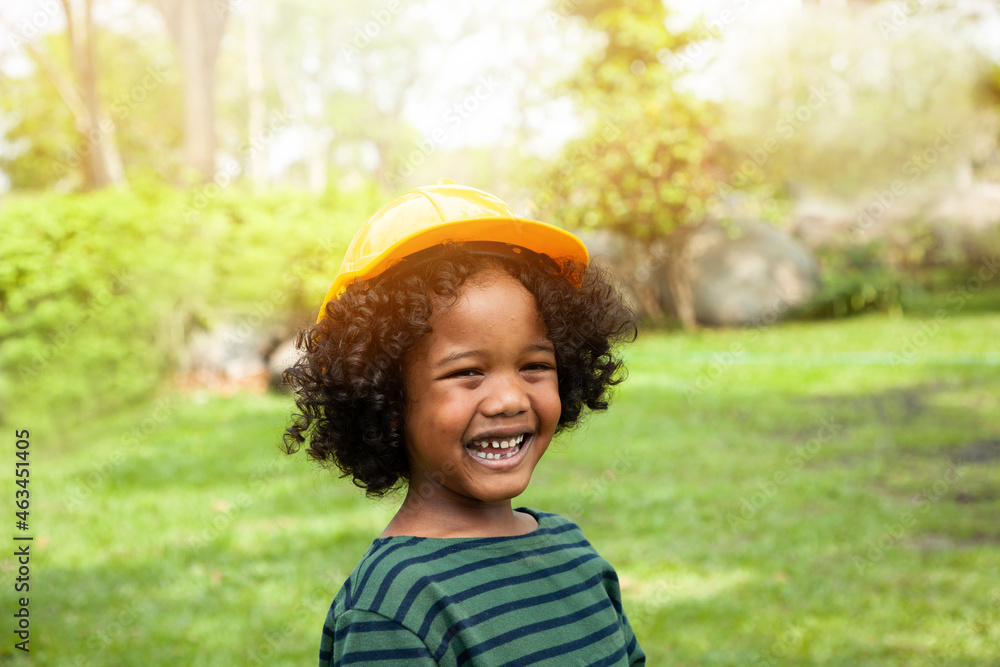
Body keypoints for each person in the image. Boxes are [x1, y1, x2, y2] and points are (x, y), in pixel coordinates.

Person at [283, 182, 644, 666]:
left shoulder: (573, 552)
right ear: (386, 397)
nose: (510, 399)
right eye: (467, 372)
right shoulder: (393, 608)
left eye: (535, 365)